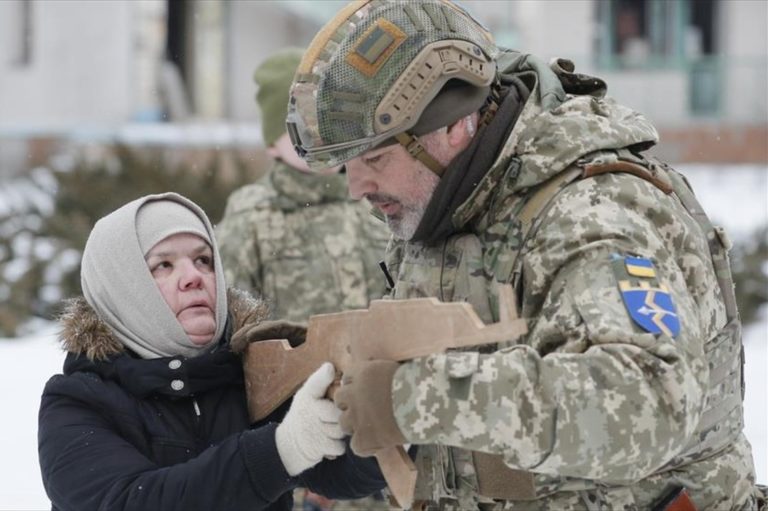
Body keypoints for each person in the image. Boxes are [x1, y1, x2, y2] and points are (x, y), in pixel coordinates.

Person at [282, 1, 763, 509]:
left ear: (453, 126)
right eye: (348, 166)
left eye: (375, 157)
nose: (357, 187)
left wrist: (410, 398)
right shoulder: (451, 205)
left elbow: (651, 404)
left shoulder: (590, 212)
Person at [37, 192, 384, 511]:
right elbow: (133, 501)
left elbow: (339, 472)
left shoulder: (253, 373)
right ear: (122, 288)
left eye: (203, 260)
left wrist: (387, 417)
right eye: (164, 265)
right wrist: (280, 451)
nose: (194, 277)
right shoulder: (76, 403)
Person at [216, 47, 390, 323]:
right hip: (295, 365)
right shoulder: (252, 215)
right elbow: (232, 322)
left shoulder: (376, 201)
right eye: (301, 128)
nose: (319, 137)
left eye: (328, 121)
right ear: (272, 145)